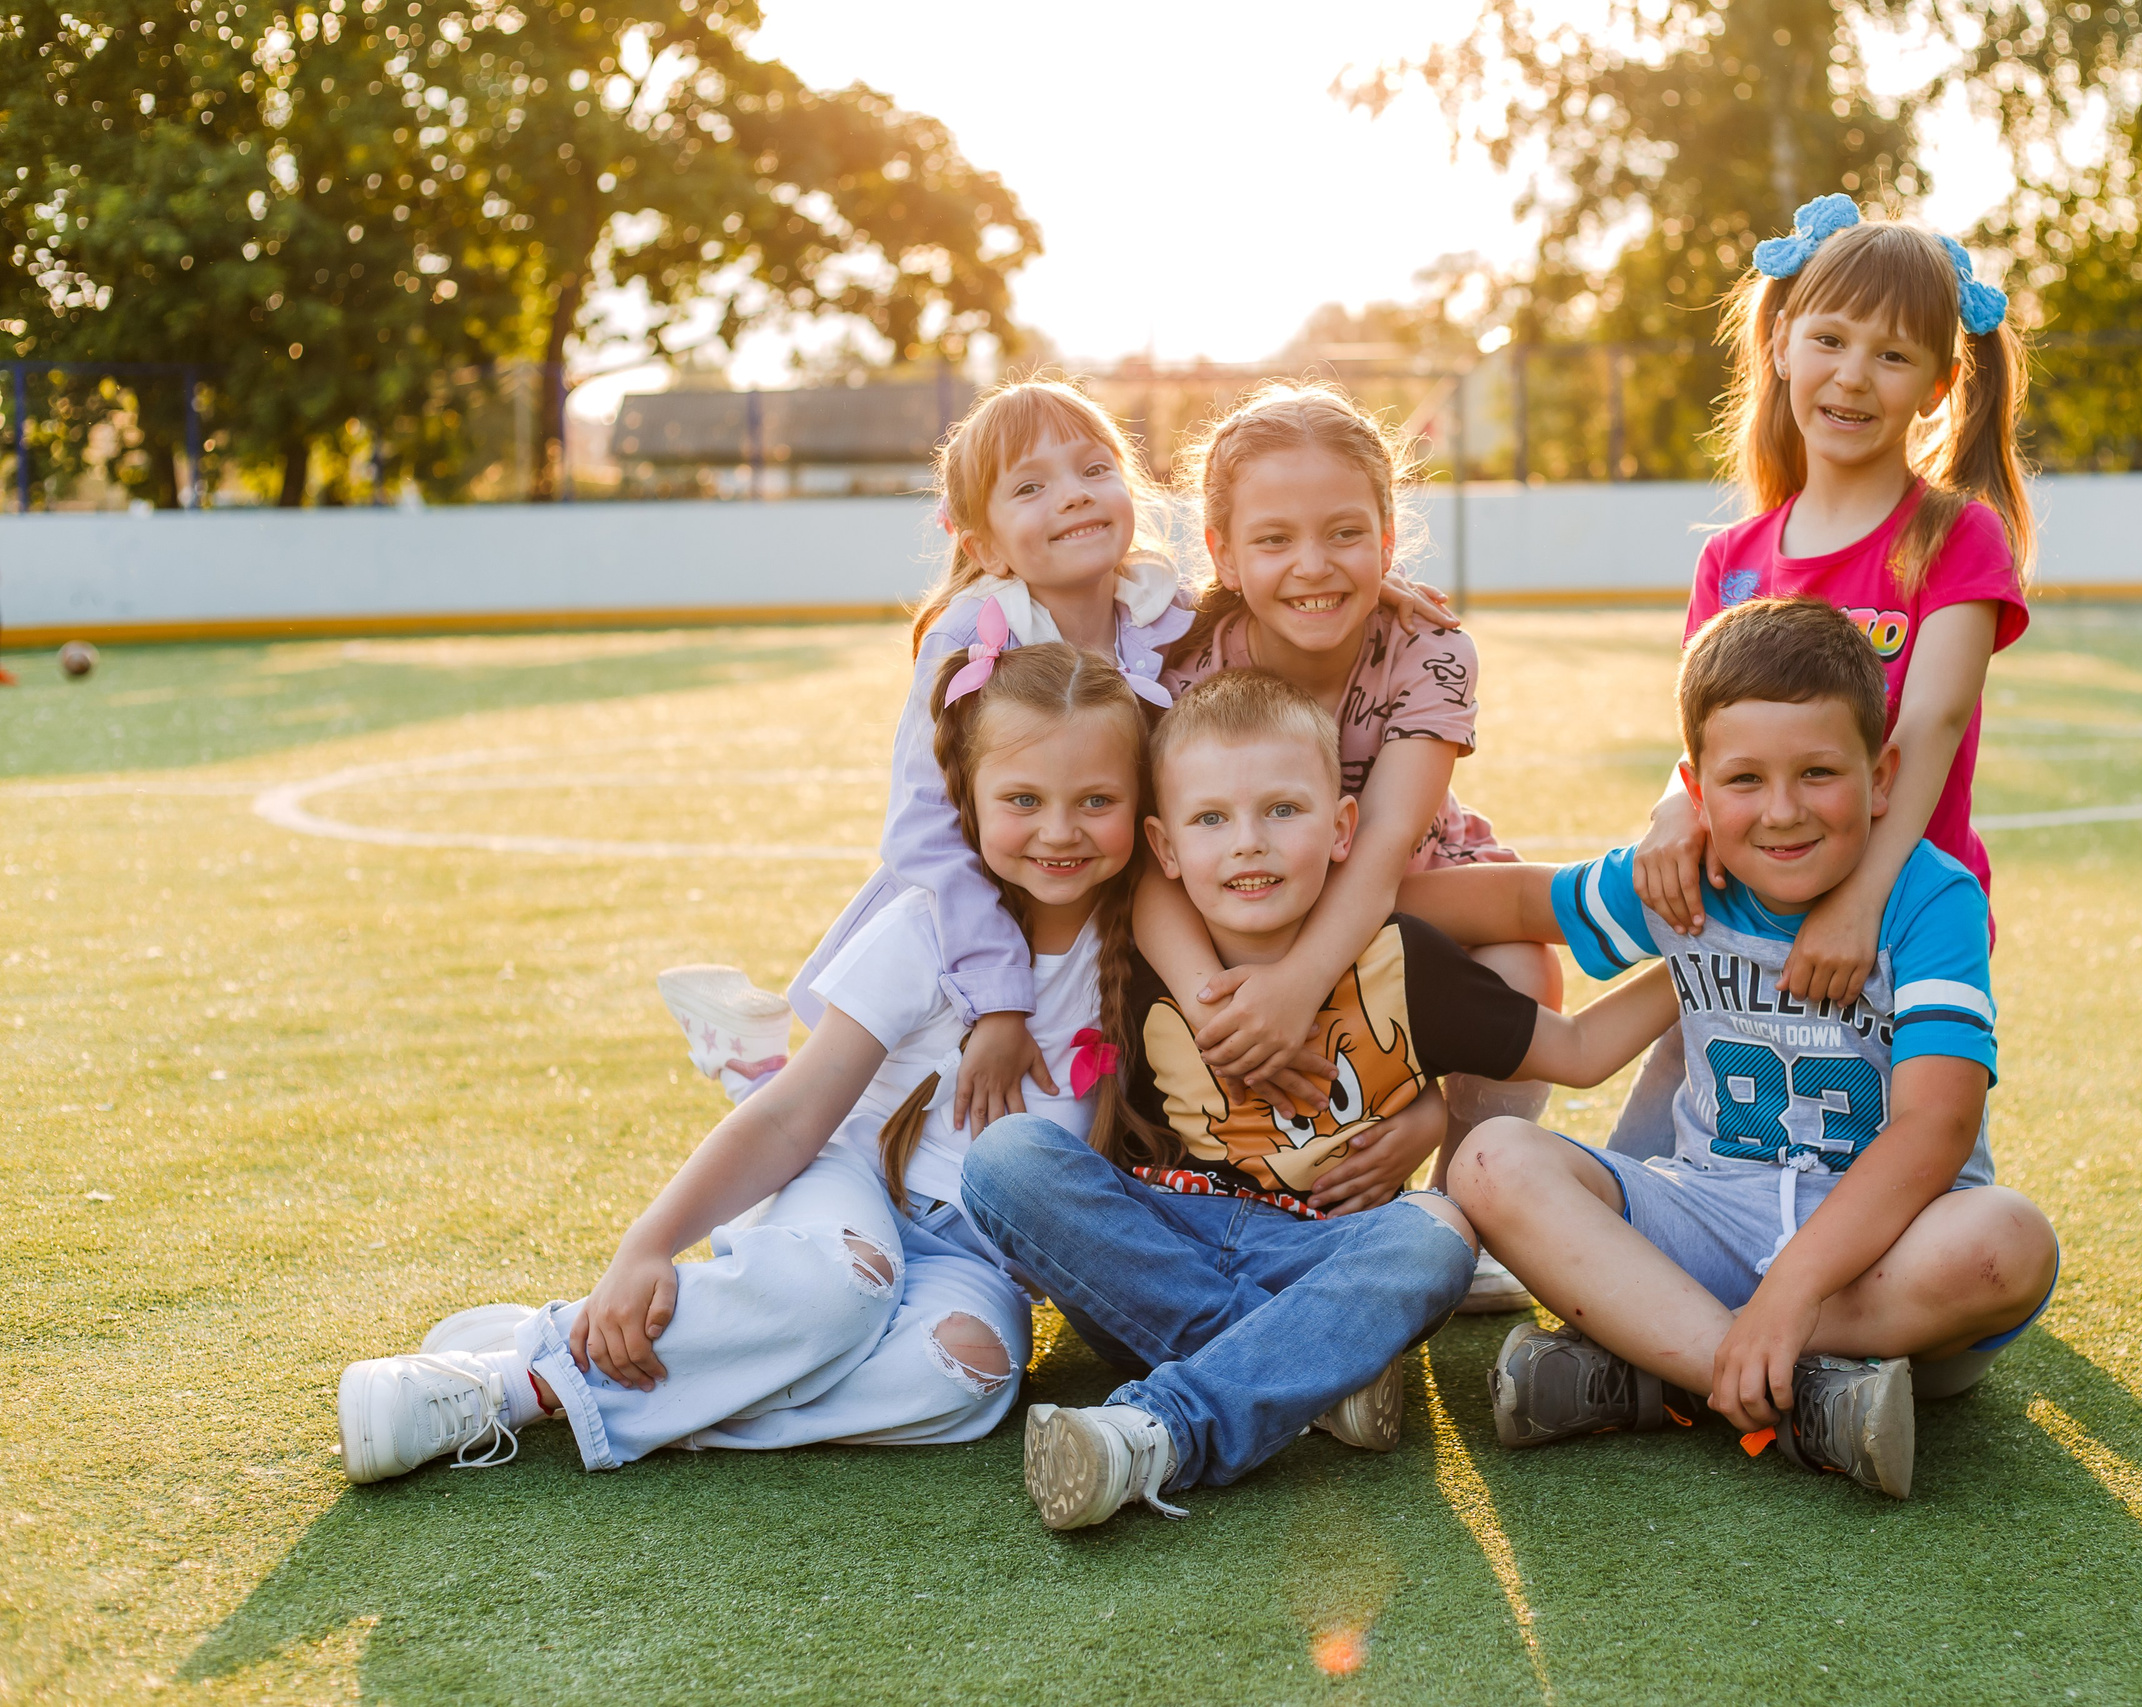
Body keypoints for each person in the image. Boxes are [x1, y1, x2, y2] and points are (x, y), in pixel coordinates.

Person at [334, 643, 1151, 1482]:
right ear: (965, 802)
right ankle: (507, 1383)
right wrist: (648, 1244)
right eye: (1023, 798)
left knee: (968, 1377)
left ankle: (615, 1364)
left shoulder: (1147, 948)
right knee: (844, 1289)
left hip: (977, 1263)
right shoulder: (927, 930)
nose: (1061, 829)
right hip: (856, 1187)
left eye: (1097, 799)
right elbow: (789, 1117)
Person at [959, 669, 1673, 1530]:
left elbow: (1582, 1051)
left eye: (1282, 811)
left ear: (1343, 828)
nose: (1248, 844)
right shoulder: (1139, 942)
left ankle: (1162, 1427)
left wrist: (1699, 963)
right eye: (1212, 819)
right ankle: (1314, 1364)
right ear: (1166, 845)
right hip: (1160, 1238)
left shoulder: (1399, 957)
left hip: (1326, 1249)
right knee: (1004, 1160)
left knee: (1436, 1234)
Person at [660, 378, 1458, 1130]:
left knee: (1057, 1105)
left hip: (1100, 912)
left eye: (1093, 468)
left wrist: (1374, 586)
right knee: (908, 1098)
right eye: (1031, 486)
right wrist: (999, 997)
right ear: (983, 541)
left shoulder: (1156, 615)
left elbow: (1271, 581)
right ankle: (762, 1079)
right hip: (983, 917)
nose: (1072, 493)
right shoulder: (973, 635)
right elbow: (925, 833)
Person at [1399, 596, 2059, 1500]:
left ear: (1882, 775)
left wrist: (1791, 1292)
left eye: (1818, 772)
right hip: (1710, 1210)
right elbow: (1512, 905)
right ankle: (1798, 1390)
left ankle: (1658, 1365)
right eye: (1744, 780)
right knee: (1491, 1161)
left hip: (1884, 1255)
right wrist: (1333, 903)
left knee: (2009, 1241)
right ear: (1696, 788)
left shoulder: (1928, 897)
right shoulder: (1685, 877)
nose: (1782, 812)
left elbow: (1935, 1130)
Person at [1613, 197, 2036, 1160]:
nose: (1853, 376)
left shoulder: (1955, 539)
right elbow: (1705, 745)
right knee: (1648, 1175)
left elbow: (1927, 725)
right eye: (1830, 339)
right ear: (1780, 346)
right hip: (1744, 936)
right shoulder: (1733, 557)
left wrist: (1860, 901)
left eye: (1892, 355)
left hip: (1893, 931)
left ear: (1937, 384)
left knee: (1890, 1194)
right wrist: (1673, 811)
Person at [1140, 380, 1561, 1312]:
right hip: (1242, 907)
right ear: (1221, 552)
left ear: (1387, 532)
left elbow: (1383, 849)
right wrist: (1217, 1005)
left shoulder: (1430, 647)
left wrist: (1423, 1114)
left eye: (1344, 532)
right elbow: (1149, 864)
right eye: (1274, 539)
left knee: (1523, 968)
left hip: (1402, 894)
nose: (1312, 566)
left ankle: (1466, 1199)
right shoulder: (1179, 658)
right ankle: (1244, 1201)